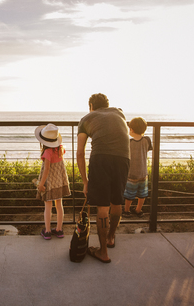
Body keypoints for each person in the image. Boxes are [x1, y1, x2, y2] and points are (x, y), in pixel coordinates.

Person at [77, 93, 130, 263]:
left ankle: (103, 252)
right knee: (116, 201)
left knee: (102, 206)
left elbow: (80, 153)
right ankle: (111, 237)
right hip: (123, 158)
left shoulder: (86, 119)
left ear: (91, 105)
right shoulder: (119, 113)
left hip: (101, 158)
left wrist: (85, 182)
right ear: (107, 105)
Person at [35, 123, 71, 240]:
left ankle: (48, 231)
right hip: (59, 183)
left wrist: (41, 185)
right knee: (59, 206)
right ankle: (59, 230)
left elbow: (46, 170)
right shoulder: (60, 150)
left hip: (49, 184)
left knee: (48, 207)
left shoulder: (47, 153)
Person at [123, 117, 153, 218]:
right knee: (142, 193)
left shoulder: (129, 142)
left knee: (129, 194)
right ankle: (138, 210)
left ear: (131, 129)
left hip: (131, 173)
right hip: (143, 172)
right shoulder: (147, 140)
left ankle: (126, 210)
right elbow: (147, 150)